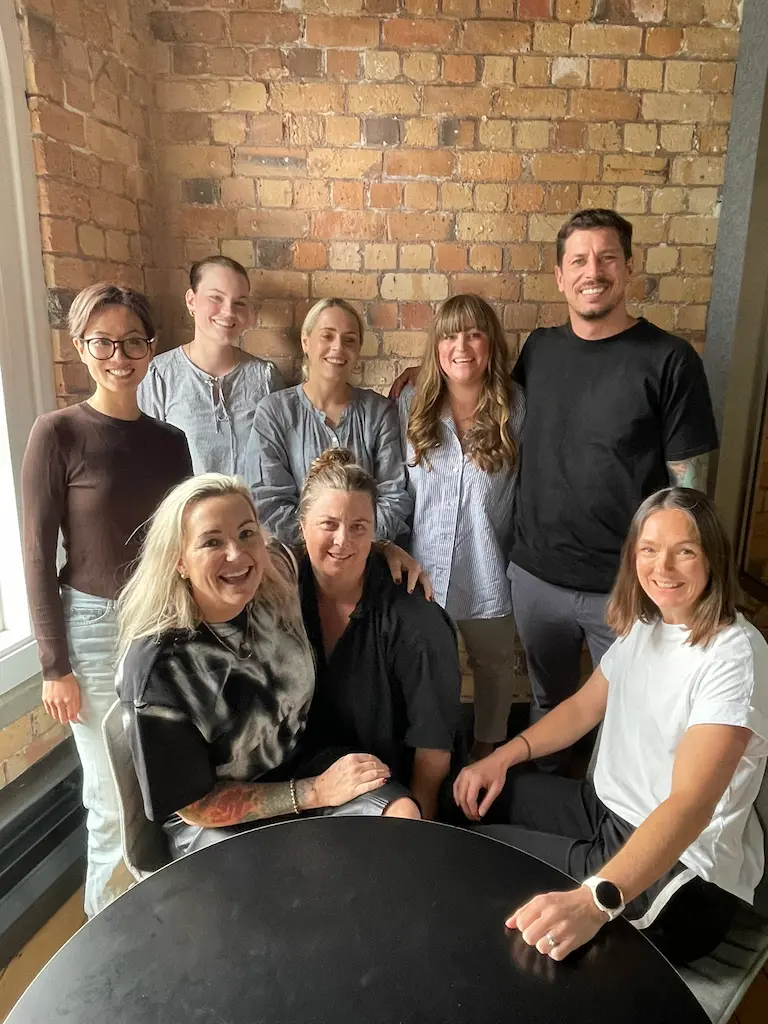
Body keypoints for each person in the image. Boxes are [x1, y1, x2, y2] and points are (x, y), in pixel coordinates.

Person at [391, 210, 719, 770]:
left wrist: (679, 579)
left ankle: (610, 810)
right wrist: (420, 380)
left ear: (629, 267)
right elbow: (478, 393)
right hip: (537, 579)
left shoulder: (669, 360)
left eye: (607, 258)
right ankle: (549, 804)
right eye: (579, 260)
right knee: (549, 709)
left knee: (630, 714)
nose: (594, 271)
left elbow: (688, 494)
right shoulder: (541, 351)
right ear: (561, 276)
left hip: (624, 585)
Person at [454, 487, 768, 965]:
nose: (663, 568)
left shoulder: (734, 656)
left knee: (479, 856)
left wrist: (594, 900)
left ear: (714, 558)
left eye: (685, 551)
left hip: (682, 876)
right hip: (609, 812)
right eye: (649, 550)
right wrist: (501, 757)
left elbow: (690, 804)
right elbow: (582, 708)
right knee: (473, 798)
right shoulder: (648, 624)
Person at [116, 474, 421, 860]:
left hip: (300, 765)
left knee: (402, 819)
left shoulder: (274, 570)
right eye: (212, 542)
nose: (237, 554)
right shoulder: (159, 670)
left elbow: (330, 543)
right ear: (178, 560)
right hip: (214, 821)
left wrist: (385, 550)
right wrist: (315, 792)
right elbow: (195, 808)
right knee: (306, 875)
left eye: (247, 534)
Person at [21, 284, 193, 917]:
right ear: (80, 347)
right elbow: (37, 556)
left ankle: (154, 917)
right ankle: (107, 934)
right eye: (103, 343)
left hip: (164, 626)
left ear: (151, 348)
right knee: (110, 796)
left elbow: (185, 544)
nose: (119, 356)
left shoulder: (170, 442)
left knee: (161, 785)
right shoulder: (57, 433)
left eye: (133, 342)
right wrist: (54, 666)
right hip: (93, 631)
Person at [297, 449, 462, 820]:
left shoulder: (416, 621)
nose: (343, 540)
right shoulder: (280, 594)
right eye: (328, 524)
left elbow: (433, 750)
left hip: (388, 789)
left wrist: (414, 830)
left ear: (374, 531)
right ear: (302, 525)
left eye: (359, 527)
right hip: (300, 781)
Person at [397, 295, 525, 760]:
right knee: (428, 670)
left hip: (489, 570)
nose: (462, 346)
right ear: (436, 346)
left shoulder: (516, 409)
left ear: (492, 344)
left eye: (474, 334)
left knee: (494, 667)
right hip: (423, 575)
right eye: (450, 336)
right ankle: (434, 757)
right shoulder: (411, 405)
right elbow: (396, 489)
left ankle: (487, 754)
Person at [247, 298, 411, 548]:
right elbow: (268, 501)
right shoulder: (275, 412)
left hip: (367, 559)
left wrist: (354, 546)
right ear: (306, 342)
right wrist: (325, 547)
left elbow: (394, 495)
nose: (338, 347)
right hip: (297, 561)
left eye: (349, 340)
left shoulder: (379, 412)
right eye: (327, 336)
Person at [138, 255, 283, 475]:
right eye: (216, 297)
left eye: (239, 302)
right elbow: (147, 462)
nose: (228, 311)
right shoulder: (159, 376)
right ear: (191, 300)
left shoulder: (265, 378)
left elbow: (278, 460)